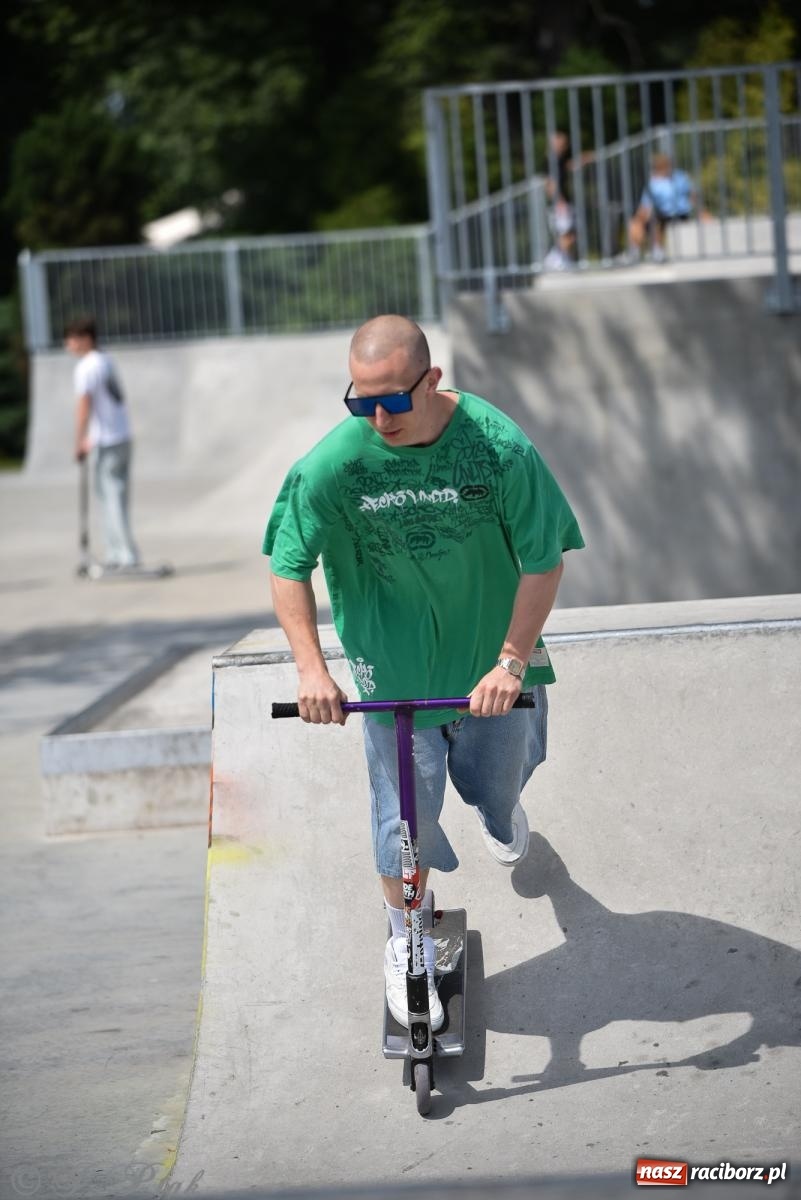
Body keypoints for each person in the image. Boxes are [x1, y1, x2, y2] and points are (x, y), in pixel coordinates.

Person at [264, 315, 584, 1030]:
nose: (378, 419)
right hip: (394, 678)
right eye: (360, 401)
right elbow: (287, 565)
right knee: (401, 820)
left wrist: (509, 661)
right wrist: (312, 670)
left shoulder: (498, 448)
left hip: (491, 673)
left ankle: (502, 811)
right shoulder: (333, 465)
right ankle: (405, 940)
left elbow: (543, 560)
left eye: (394, 401)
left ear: (431, 380)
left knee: (495, 790)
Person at [64, 316, 139, 570]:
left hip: (106, 441)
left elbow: (84, 406)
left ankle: (125, 553)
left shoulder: (87, 366)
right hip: (122, 437)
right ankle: (117, 552)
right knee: (115, 496)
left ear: (86, 339)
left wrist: (80, 441)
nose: (68, 344)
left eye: (72, 339)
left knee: (111, 498)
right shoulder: (105, 360)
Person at [628, 153, 695, 263]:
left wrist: (699, 211)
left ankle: (658, 250)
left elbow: (692, 196)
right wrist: (639, 218)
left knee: (656, 221)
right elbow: (645, 205)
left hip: (680, 212)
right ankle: (635, 250)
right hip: (662, 213)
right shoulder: (653, 183)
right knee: (636, 222)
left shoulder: (680, 177)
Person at [543, 130, 577, 271]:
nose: (564, 146)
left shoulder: (559, 160)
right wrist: (559, 201)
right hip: (559, 204)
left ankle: (562, 259)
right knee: (566, 234)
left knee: (568, 234)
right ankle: (553, 260)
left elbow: (570, 165)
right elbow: (550, 185)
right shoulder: (551, 161)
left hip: (562, 203)